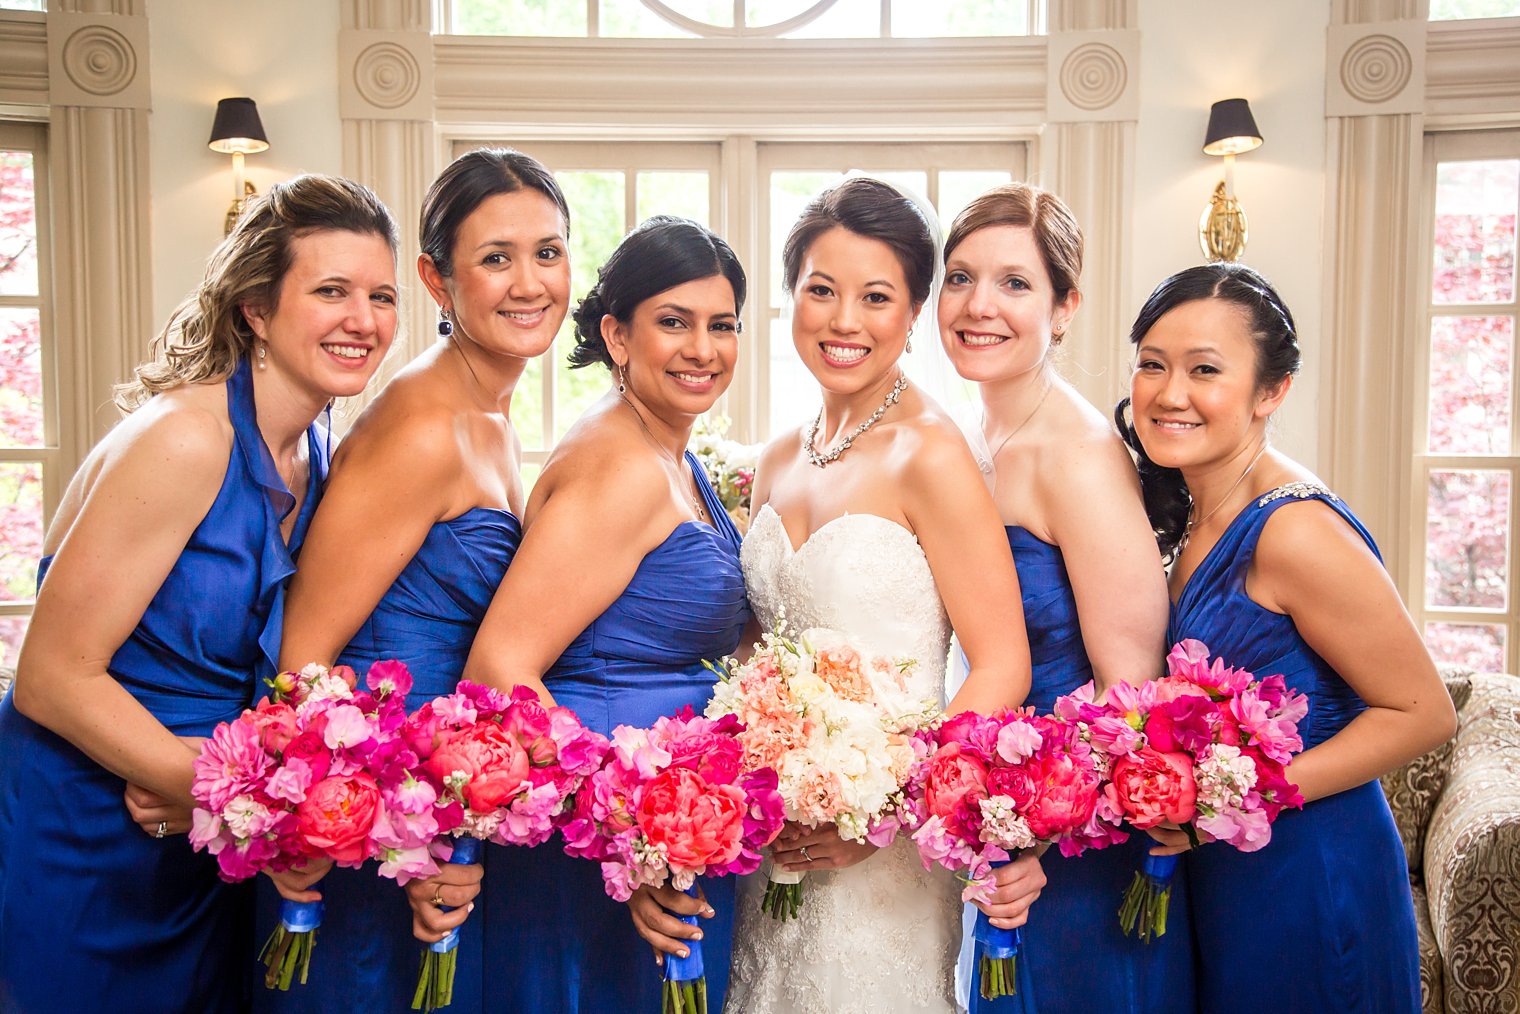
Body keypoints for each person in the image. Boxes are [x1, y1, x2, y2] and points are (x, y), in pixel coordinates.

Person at [0, 175, 399, 1013]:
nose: (362, 320)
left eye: (381, 296)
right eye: (331, 290)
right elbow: (52, 676)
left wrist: (223, 799)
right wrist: (224, 790)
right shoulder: (184, 439)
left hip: (202, 842)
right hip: (85, 828)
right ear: (256, 305)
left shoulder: (319, 456)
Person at [252, 148, 571, 1013]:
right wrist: (403, 832)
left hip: (450, 817)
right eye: (496, 258)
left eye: (547, 252)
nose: (529, 282)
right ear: (437, 280)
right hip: (374, 847)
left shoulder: (493, 418)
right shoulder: (423, 425)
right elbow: (301, 661)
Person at [407, 215, 750, 1012]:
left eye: (721, 324)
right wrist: (630, 843)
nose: (702, 348)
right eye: (674, 322)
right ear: (617, 335)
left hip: (665, 839)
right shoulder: (620, 464)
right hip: (603, 854)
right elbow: (501, 669)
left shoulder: (673, 452)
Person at [724, 177, 1033, 1014]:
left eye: (876, 297)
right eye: (821, 291)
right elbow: (763, 646)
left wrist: (883, 807)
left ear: (913, 311)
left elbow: (1002, 661)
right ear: (792, 296)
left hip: (884, 845)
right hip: (777, 830)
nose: (844, 321)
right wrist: (768, 768)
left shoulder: (931, 454)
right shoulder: (781, 456)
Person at [1117, 262, 1456, 1014]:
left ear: (1272, 391)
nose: (1169, 393)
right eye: (1151, 364)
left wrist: (1222, 804)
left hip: (1311, 873)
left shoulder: (1295, 529)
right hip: (1227, 875)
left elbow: (1424, 713)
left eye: (1205, 369)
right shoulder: (1187, 504)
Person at [937, 183, 1193, 1013]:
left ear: (1065, 305)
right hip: (989, 814)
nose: (979, 306)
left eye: (1015, 283)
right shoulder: (967, 435)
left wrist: (1040, 832)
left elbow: (1133, 693)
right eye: (960, 276)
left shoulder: (1079, 454)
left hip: (1069, 850)